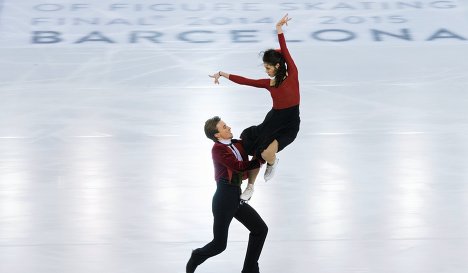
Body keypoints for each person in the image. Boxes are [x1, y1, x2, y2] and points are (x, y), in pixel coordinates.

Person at [209, 14, 301, 201]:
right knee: (256, 147)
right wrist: (222, 73)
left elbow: (285, 50)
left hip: (290, 123)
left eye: (268, 68)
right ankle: (250, 187)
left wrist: (279, 29)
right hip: (273, 119)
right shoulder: (269, 83)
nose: (266, 71)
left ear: (277, 65)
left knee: (267, 153)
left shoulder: (292, 73)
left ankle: (272, 162)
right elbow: (246, 81)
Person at [186, 116, 268, 273]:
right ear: (217, 134)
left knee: (260, 229)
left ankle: (249, 269)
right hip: (223, 199)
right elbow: (238, 166)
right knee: (219, 245)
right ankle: (196, 256)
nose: (229, 127)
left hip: (236, 196)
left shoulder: (237, 143)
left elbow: (253, 143)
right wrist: (259, 161)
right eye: (224, 127)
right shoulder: (217, 150)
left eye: (226, 125)